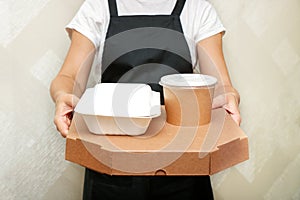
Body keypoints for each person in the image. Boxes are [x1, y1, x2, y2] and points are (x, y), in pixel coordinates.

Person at [50, 0, 241, 199]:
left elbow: (219, 84)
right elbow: (69, 77)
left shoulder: (197, 9)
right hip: (110, 164)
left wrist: (227, 96)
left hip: (185, 165)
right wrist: (64, 95)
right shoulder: (98, 8)